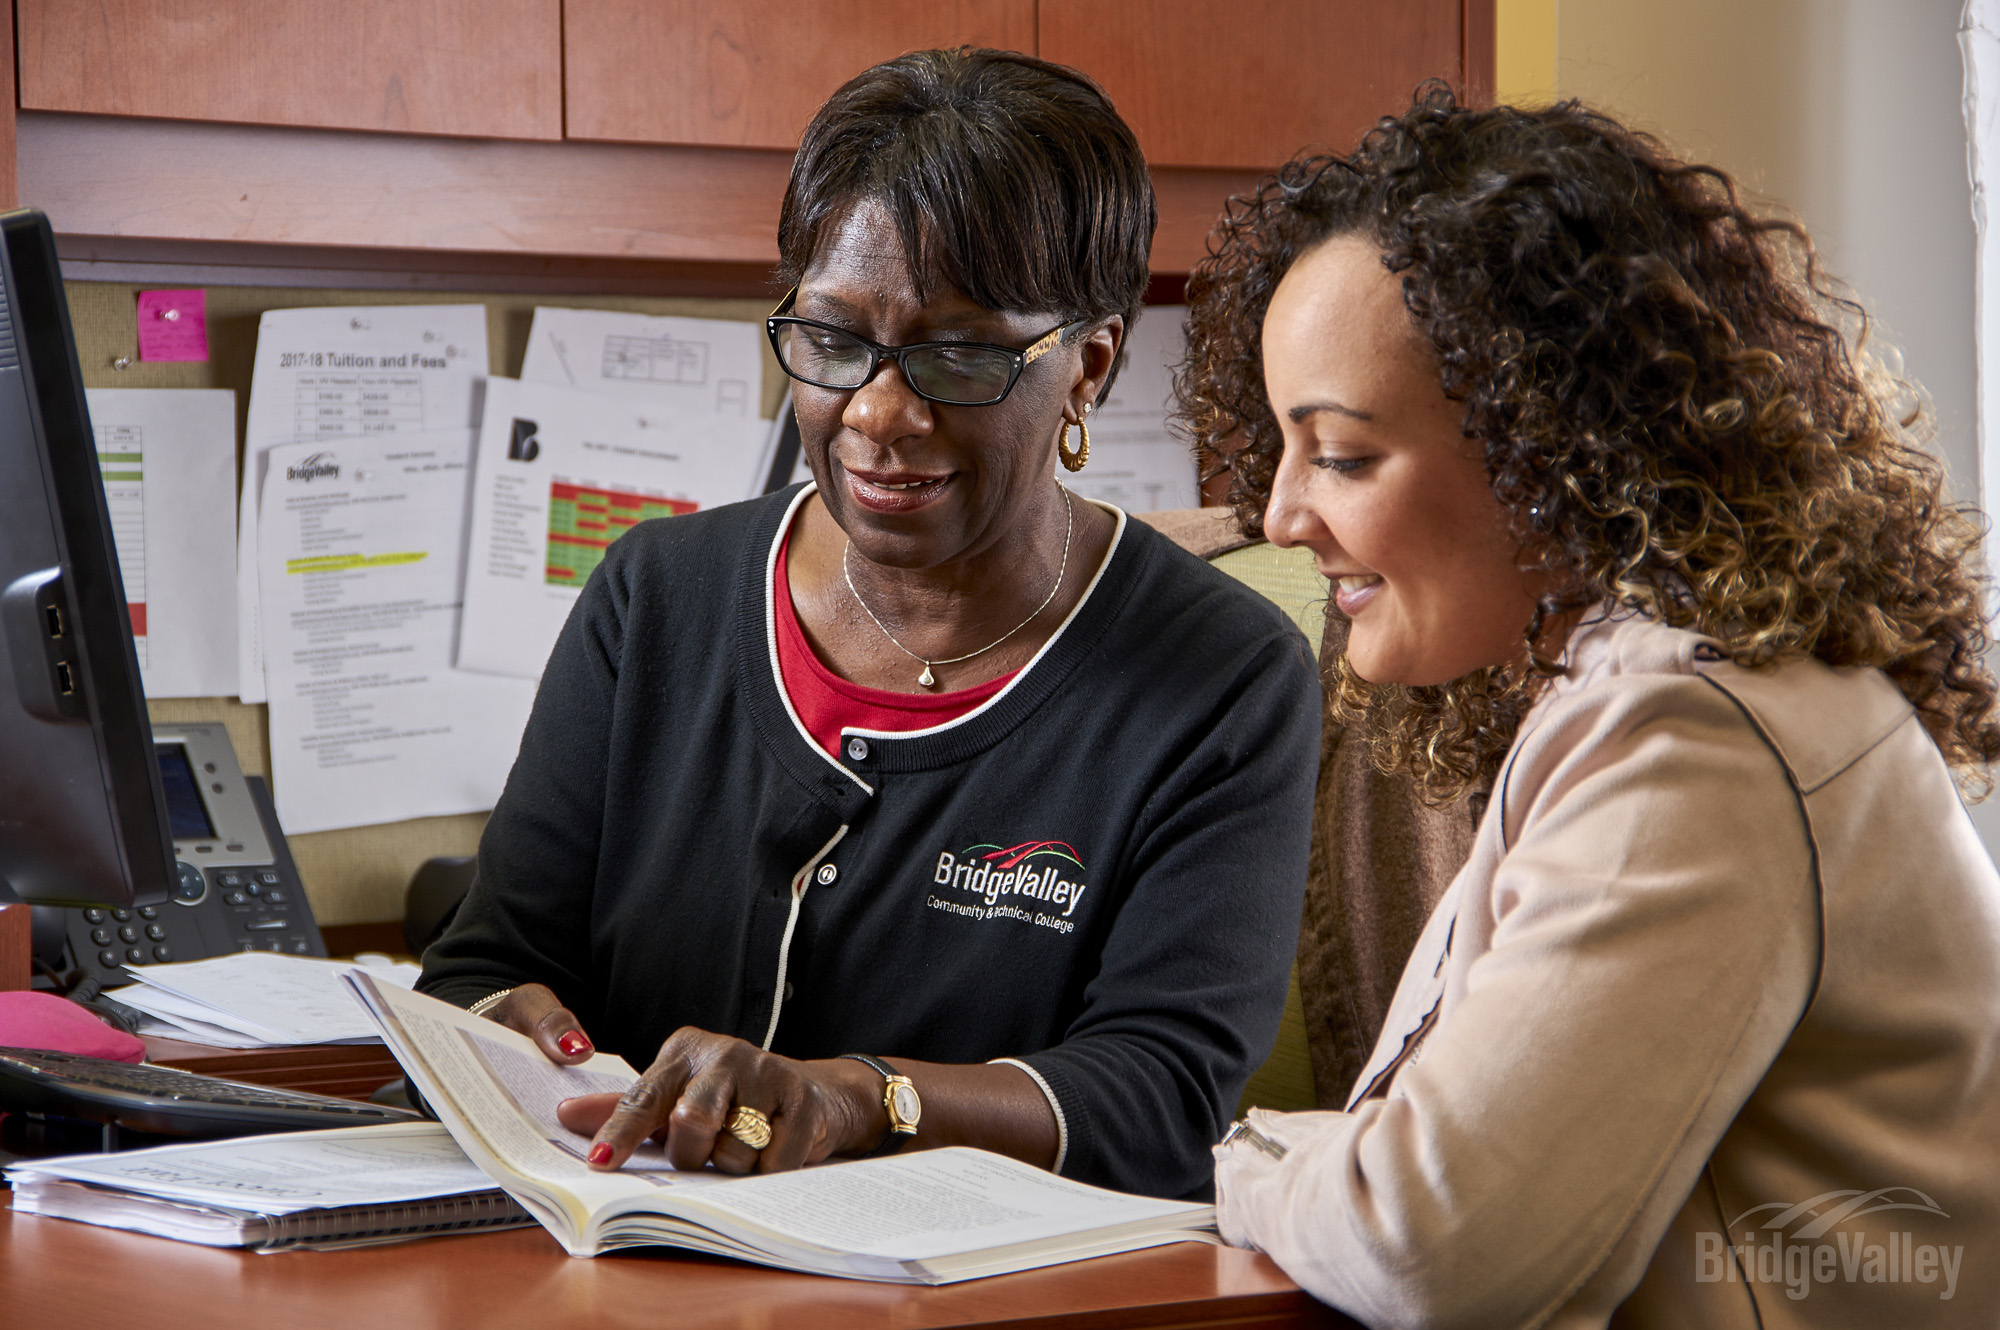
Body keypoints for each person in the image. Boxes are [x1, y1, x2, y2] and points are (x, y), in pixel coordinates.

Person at [417, 48, 1320, 1201]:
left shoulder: (1223, 678)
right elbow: (482, 966)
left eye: (956, 356)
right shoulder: (657, 598)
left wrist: (863, 1096)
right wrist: (513, 1029)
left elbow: (1159, 1098)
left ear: (1085, 366)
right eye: (834, 342)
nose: (879, 413)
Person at [1180, 86, 2000, 1325]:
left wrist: (1250, 1162)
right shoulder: (1637, 693)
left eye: (1340, 454)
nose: (1284, 517)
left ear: (1546, 450)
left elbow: (1431, 1243)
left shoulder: (1691, 739)